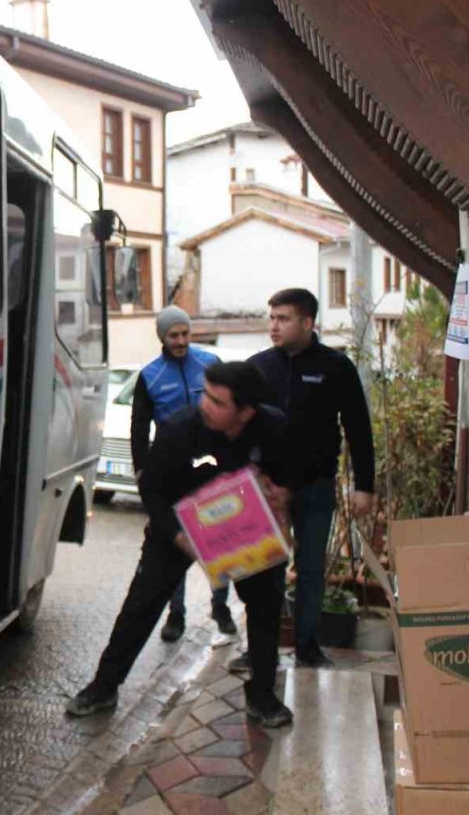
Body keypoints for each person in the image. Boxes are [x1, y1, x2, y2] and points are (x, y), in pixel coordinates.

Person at [66, 362, 295, 727]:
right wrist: (179, 538)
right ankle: (104, 685)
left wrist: (282, 494)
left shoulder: (274, 427)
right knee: (143, 602)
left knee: (266, 604)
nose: (205, 404)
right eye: (205, 394)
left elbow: (289, 475)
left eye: (218, 401)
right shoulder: (180, 429)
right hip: (177, 526)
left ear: (246, 412)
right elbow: (152, 492)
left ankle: (263, 695)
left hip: (242, 528)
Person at [242, 288, 374, 670]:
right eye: (271, 318)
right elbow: (241, 427)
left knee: (312, 568)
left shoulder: (336, 367)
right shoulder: (258, 367)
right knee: (263, 570)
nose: (274, 326)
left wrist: (364, 485)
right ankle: (260, 648)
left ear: (307, 322)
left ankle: (307, 646)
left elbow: (358, 429)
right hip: (268, 489)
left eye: (283, 318)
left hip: (316, 486)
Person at [131, 306, 231, 642]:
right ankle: (176, 614)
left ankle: (220, 605)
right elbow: (139, 427)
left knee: (220, 537)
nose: (181, 341)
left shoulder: (209, 364)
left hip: (213, 465)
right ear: (163, 337)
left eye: (185, 334)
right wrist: (143, 470)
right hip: (174, 468)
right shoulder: (150, 376)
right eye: (174, 335)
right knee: (177, 542)